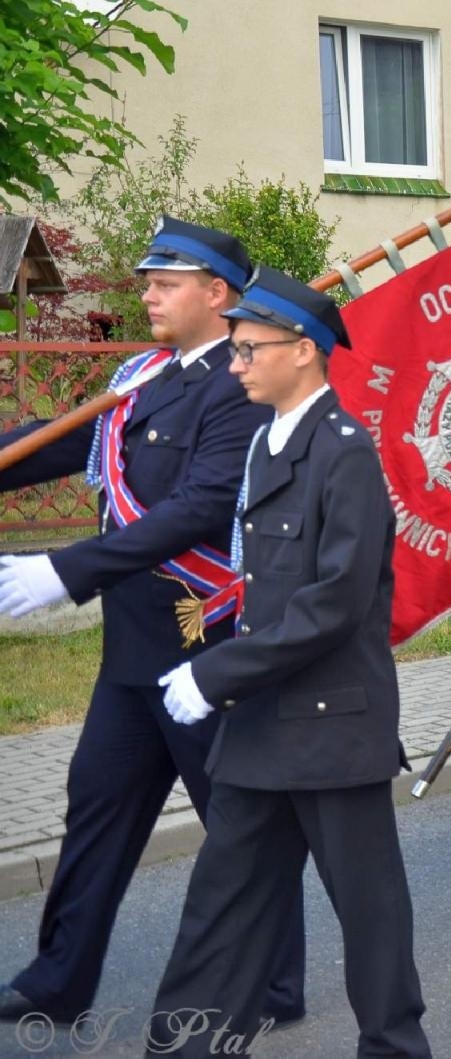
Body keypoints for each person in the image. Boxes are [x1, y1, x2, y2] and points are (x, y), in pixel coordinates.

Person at [0, 219, 303, 1026]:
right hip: (132, 652)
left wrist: (66, 570)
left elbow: (201, 507)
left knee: (237, 815)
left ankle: (275, 980)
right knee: (95, 804)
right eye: (147, 280)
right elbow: (51, 444)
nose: (147, 293)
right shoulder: (143, 377)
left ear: (218, 294)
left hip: (207, 646)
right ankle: (57, 979)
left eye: (165, 282)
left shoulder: (241, 387)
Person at [146, 267, 429, 1058]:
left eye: (248, 349)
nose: (235, 364)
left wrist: (215, 673)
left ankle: (396, 1049)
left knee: (369, 915)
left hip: (334, 727)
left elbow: (334, 604)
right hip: (265, 726)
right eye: (234, 349)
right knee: (221, 908)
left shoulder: (343, 453)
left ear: (302, 351)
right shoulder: (270, 443)